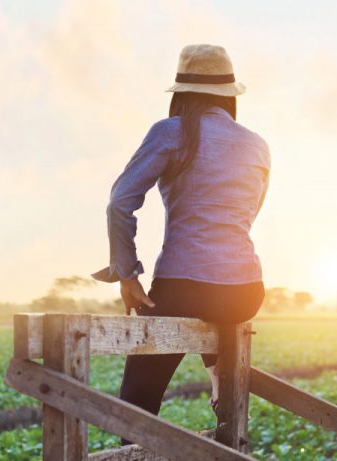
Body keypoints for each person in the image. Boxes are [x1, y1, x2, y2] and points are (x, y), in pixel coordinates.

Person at [91, 44, 270, 433]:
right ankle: (220, 375)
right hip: (246, 292)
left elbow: (119, 203)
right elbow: (247, 216)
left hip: (183, 288)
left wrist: (127, 275)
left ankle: (130, 449)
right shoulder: (257, 145)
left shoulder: (171, 132)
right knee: (212, 302)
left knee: (136, 404)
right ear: (229, 96)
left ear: (181, 93)